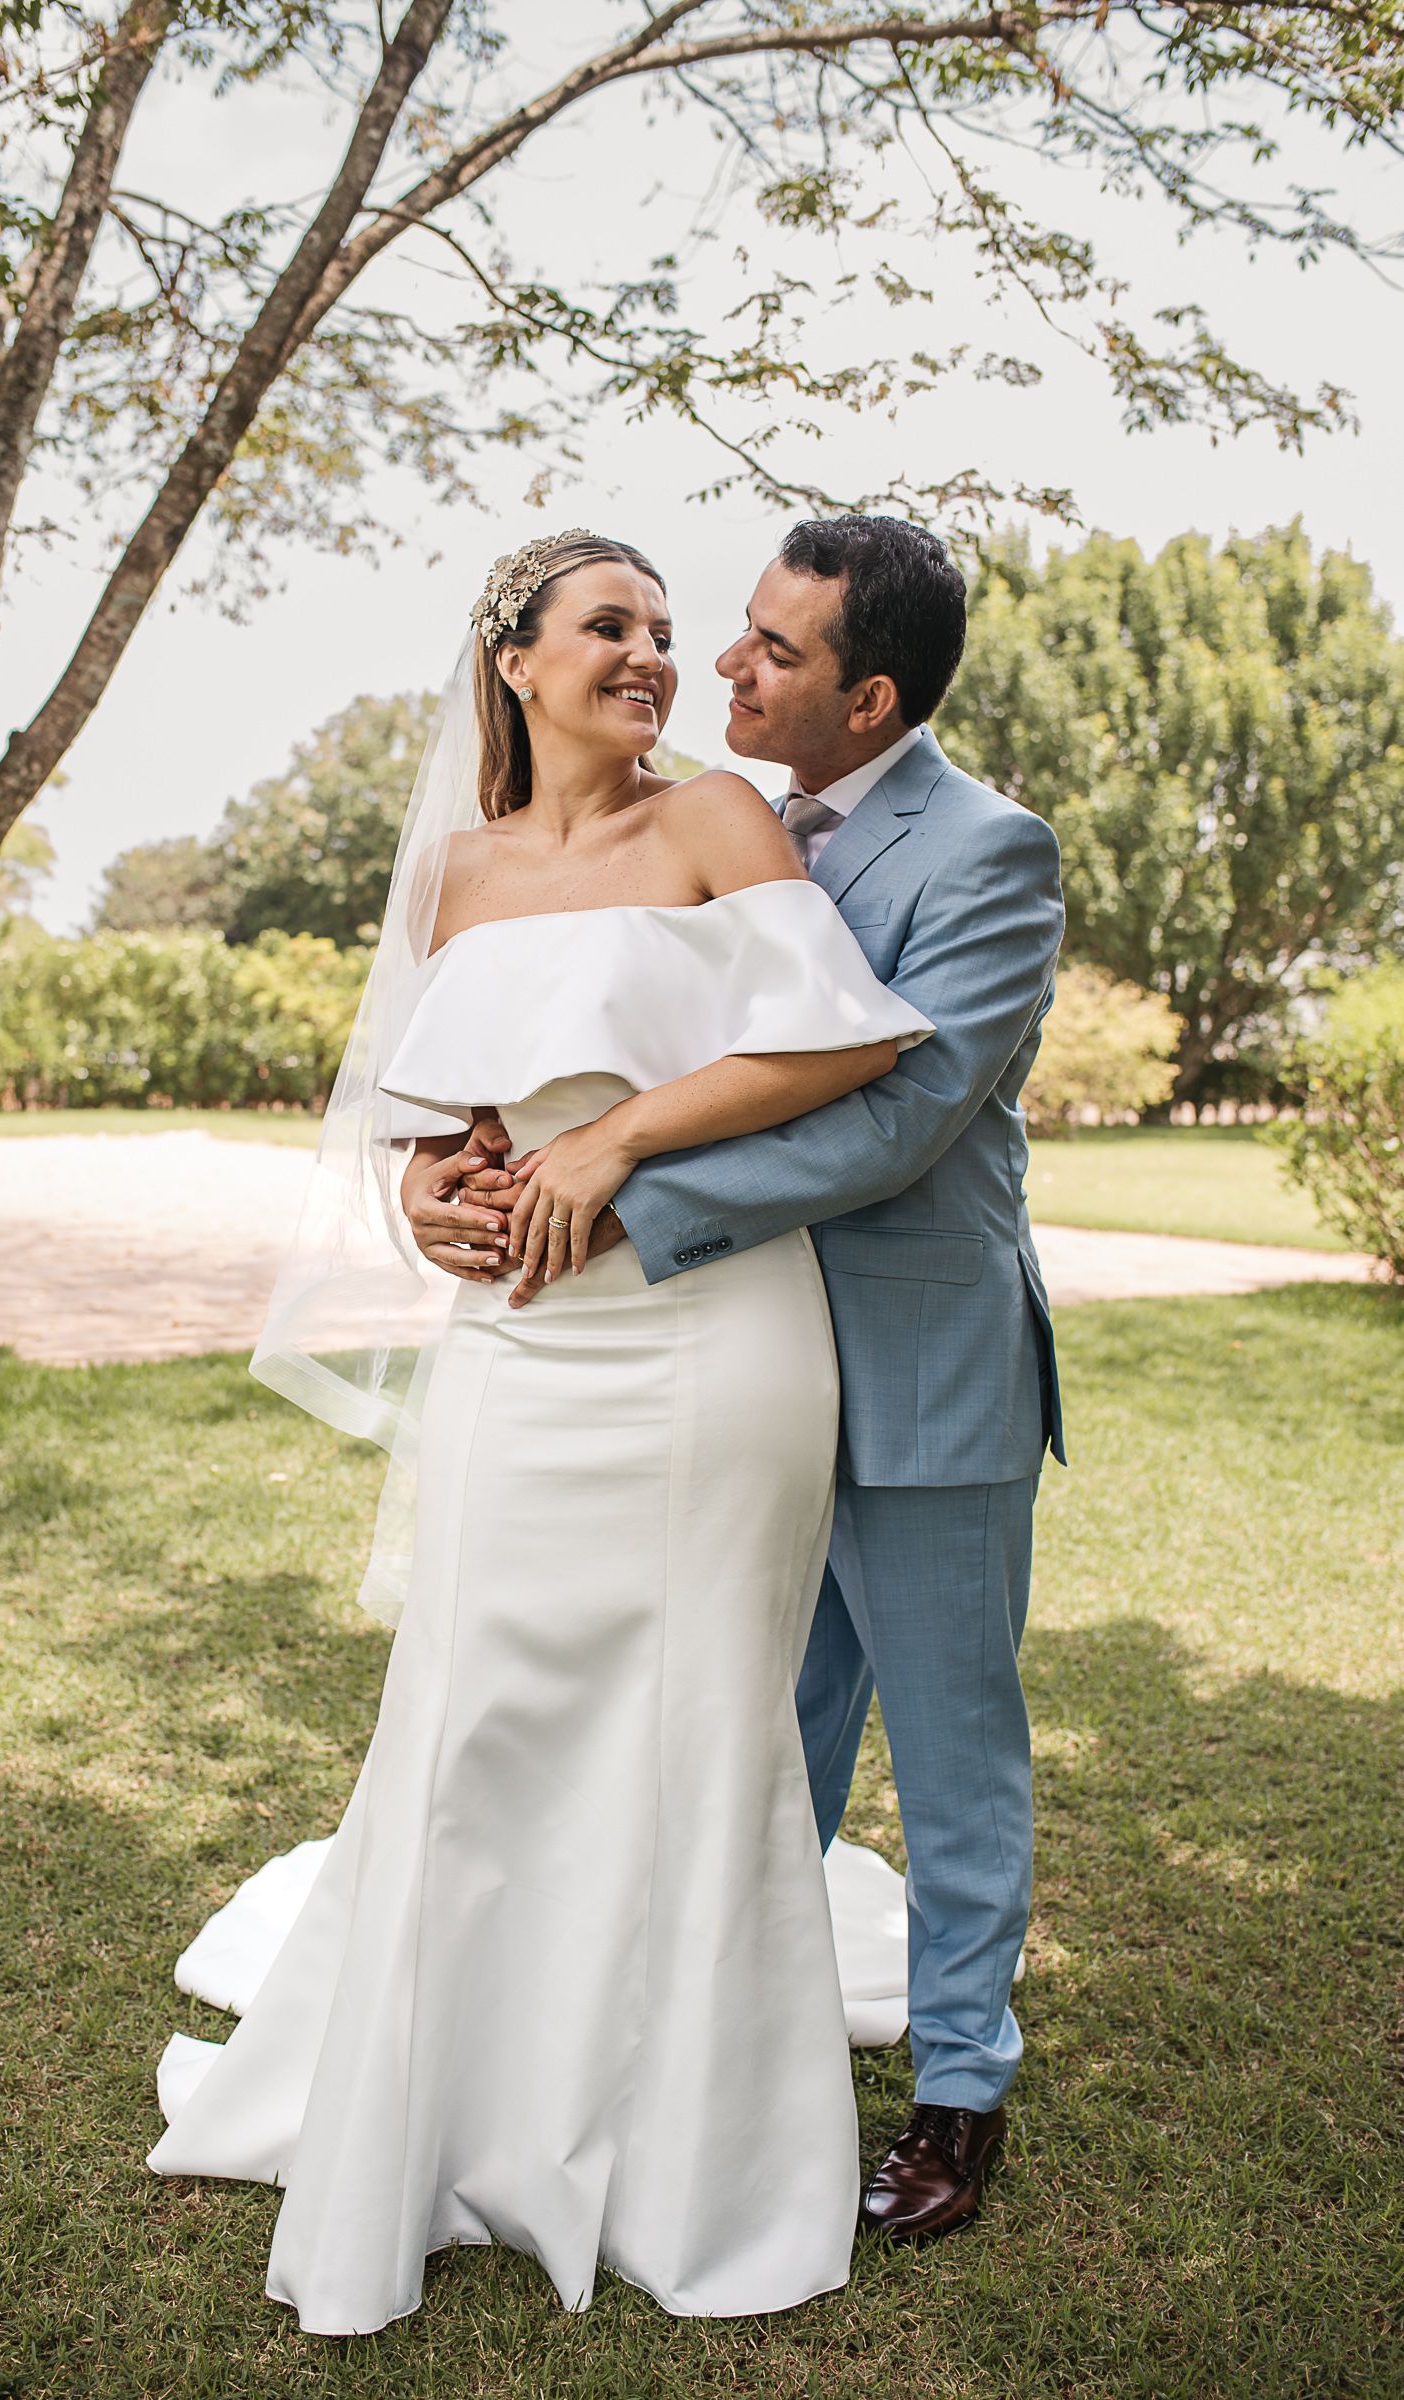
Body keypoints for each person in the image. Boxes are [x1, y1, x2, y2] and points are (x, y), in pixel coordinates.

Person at [147, 530, 934, 2333]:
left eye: (667, 632)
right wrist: (436, 1191)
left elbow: (839, 1050)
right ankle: (445, 2111)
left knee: (698, 1717)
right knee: (475, 1700)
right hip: (516, 1344)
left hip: (713, 1341)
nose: (654, 658)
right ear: (512, 660)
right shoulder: (450, 871)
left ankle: (689, 2152)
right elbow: (429, 1117)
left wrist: (614, 1141)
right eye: (612, 628)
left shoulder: (718, 825)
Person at [412, 516, 1067, 2245]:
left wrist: (626, 1197)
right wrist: (460, 1172)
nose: (721, 667)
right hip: (727, 1369)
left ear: (868, 698)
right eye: (734, 633)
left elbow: (899, 1110)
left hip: (913, 1366)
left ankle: (957, 2090)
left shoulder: (990, 851)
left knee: (947, 1745)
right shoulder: (716, 819)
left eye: (771, 653)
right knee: (751, 1730)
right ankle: (713, 2047)